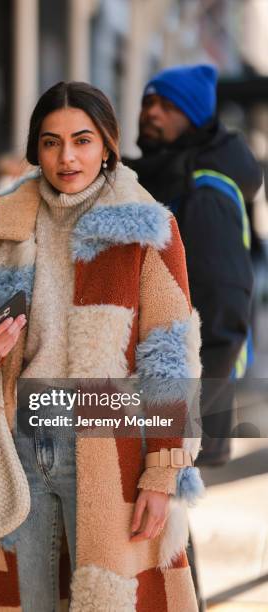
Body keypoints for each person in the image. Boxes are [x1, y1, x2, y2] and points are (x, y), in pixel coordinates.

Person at [0, 81, 203, 611]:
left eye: (82, 140)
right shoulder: (4, 225)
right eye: (50, 141)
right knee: (20, 601)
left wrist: (162, 472)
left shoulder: (146, 226)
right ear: (35, 149)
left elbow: (170, 358)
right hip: (15, 444)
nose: (67, 157)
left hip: (111, 449)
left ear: (108, 144)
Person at [123, 64, 262, 466]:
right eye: (148, 102)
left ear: (196, 117)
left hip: (178, 402)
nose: (152, 112)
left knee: (158, 518)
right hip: (158, 392)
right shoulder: (167, 178)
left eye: (168, 105)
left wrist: (189, 420)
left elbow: (223, 306)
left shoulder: (203, 192)